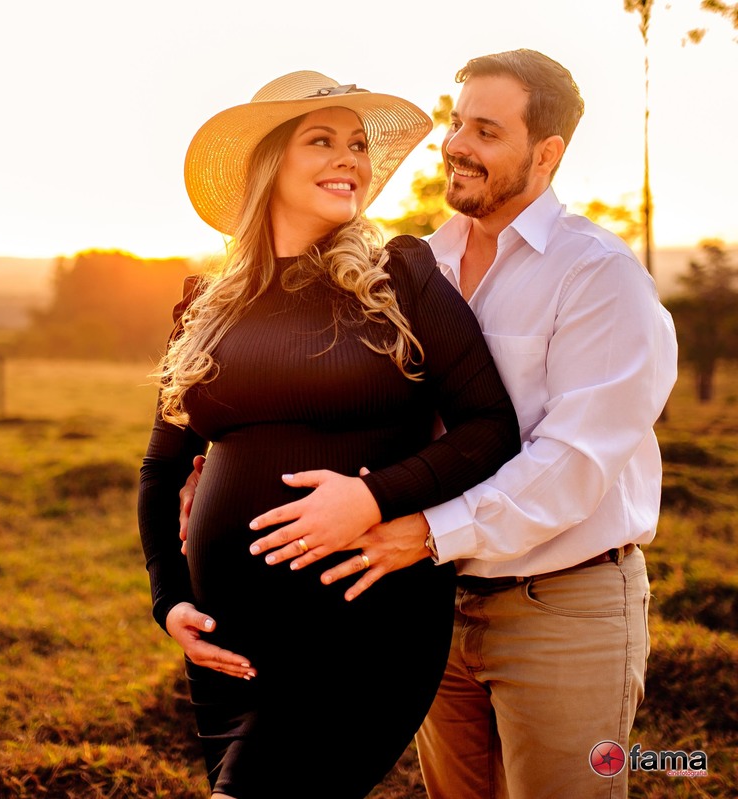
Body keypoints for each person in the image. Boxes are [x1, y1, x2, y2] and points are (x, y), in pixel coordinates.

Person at [185, 50, 678, 798]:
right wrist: (231, 467)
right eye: (456, 123)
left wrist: (420, 530)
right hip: (428, 606)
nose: (456, 146)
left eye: (487, 131)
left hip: (559, 602)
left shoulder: (598, 276)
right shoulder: (415, 264)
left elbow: (574, 464)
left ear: (546, 154)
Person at [137, 70, 520, 798]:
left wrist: (375, 497)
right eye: (322, 140)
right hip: (229, 648)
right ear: (268, 164)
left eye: (358, 145)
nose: (350, 158)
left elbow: (489, 426)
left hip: (363, 626)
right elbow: (162, 470)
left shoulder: (400, 277)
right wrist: (169, 600)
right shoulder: (206, 307)